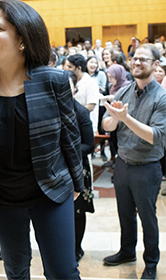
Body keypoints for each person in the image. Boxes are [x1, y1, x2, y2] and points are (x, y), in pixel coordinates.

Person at [0, 0, 83, 280]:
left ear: (22, 38)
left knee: (63, 272)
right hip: (1, 197)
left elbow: (70, 136)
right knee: (17, 269)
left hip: (51, 192)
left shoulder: (54, 80)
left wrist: (77, 184)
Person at [102, 44, 166, 280]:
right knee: (124, 213)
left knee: (147, 218)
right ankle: (127, 251)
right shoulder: (125, 90)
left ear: (155, 64)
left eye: (143, 59)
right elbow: (107, 124)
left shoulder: (162, 97)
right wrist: (113, 120)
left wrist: (125, 118)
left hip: (147, 168)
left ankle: (151, 262)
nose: (137, 62)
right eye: (134, 58)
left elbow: (155, 135)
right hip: (123, 164)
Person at [67, 71, 94, 263]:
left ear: (74, 88)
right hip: (56, 169)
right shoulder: (51, 109)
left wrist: (66, 151)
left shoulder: (81, 112)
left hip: (77, 169)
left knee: (77, 211)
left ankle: (77, 247)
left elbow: (89, 145)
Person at [66, 54, 99, 133]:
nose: (67, 69)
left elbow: (91, 106)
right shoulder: (70, 81)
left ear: (79, 68)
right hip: (73, 124)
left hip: (86, 125)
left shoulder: (91, 83)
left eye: (70, 67)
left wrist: (73, 114)